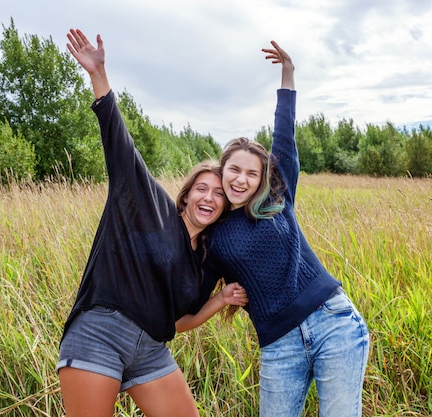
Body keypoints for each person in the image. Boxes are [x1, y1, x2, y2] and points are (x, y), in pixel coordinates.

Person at [57, 29, 247, 417]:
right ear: (187, 194)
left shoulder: (204, 259)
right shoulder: (151, 205)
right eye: (202, 189)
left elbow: (180, 322)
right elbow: (120, 143)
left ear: (225, 207)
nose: (209, 197)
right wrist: (98, 76)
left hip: (151, 350)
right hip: (100, 333)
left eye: (219, 194)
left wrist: (222, 299)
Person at [181, 41, 370, 416]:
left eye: (252, 173)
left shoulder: (278, 194)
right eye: (234, 169)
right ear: (223, 170)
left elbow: (285, 135)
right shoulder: (213, 237)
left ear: (261, 178)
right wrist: (217, 301)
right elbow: (191, 305)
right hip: (279, 345)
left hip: (334, 322)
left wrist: (288, 74)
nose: (241, 179)